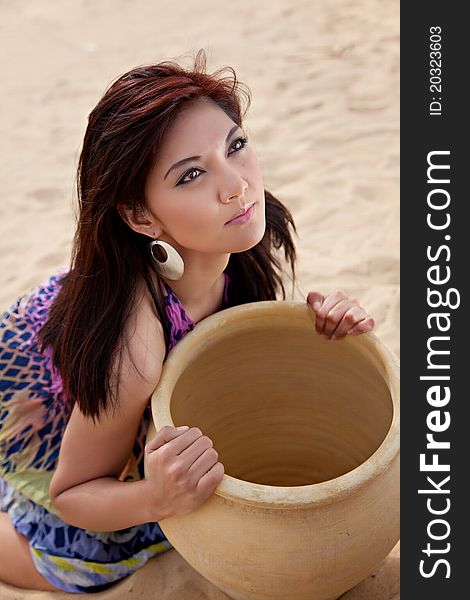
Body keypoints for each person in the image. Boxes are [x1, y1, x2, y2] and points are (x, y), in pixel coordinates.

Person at [0, 49, 375, 593]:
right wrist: (156, 498)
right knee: (87, 569)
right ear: (139, 215)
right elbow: (73, 493)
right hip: (49, 422)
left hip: (101, 397)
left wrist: (324, 326)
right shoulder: (135, 349)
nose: (236, 185)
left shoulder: (237, 228)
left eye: (236, 146)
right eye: (192, 175)